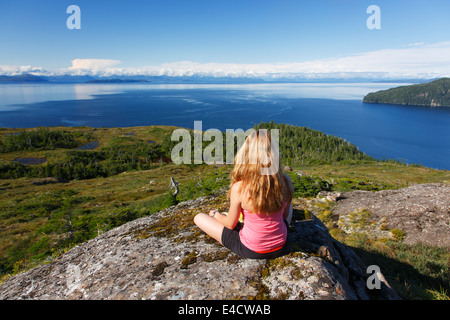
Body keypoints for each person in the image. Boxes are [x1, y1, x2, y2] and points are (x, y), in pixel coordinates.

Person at [194, 129, 294, 259]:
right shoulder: (285, 181)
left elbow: (230, 224)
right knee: (290, 206)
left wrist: (216, 215)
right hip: (281, 245)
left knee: (199, 217)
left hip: (251, 249)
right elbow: (285, 216)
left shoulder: (240, 188)